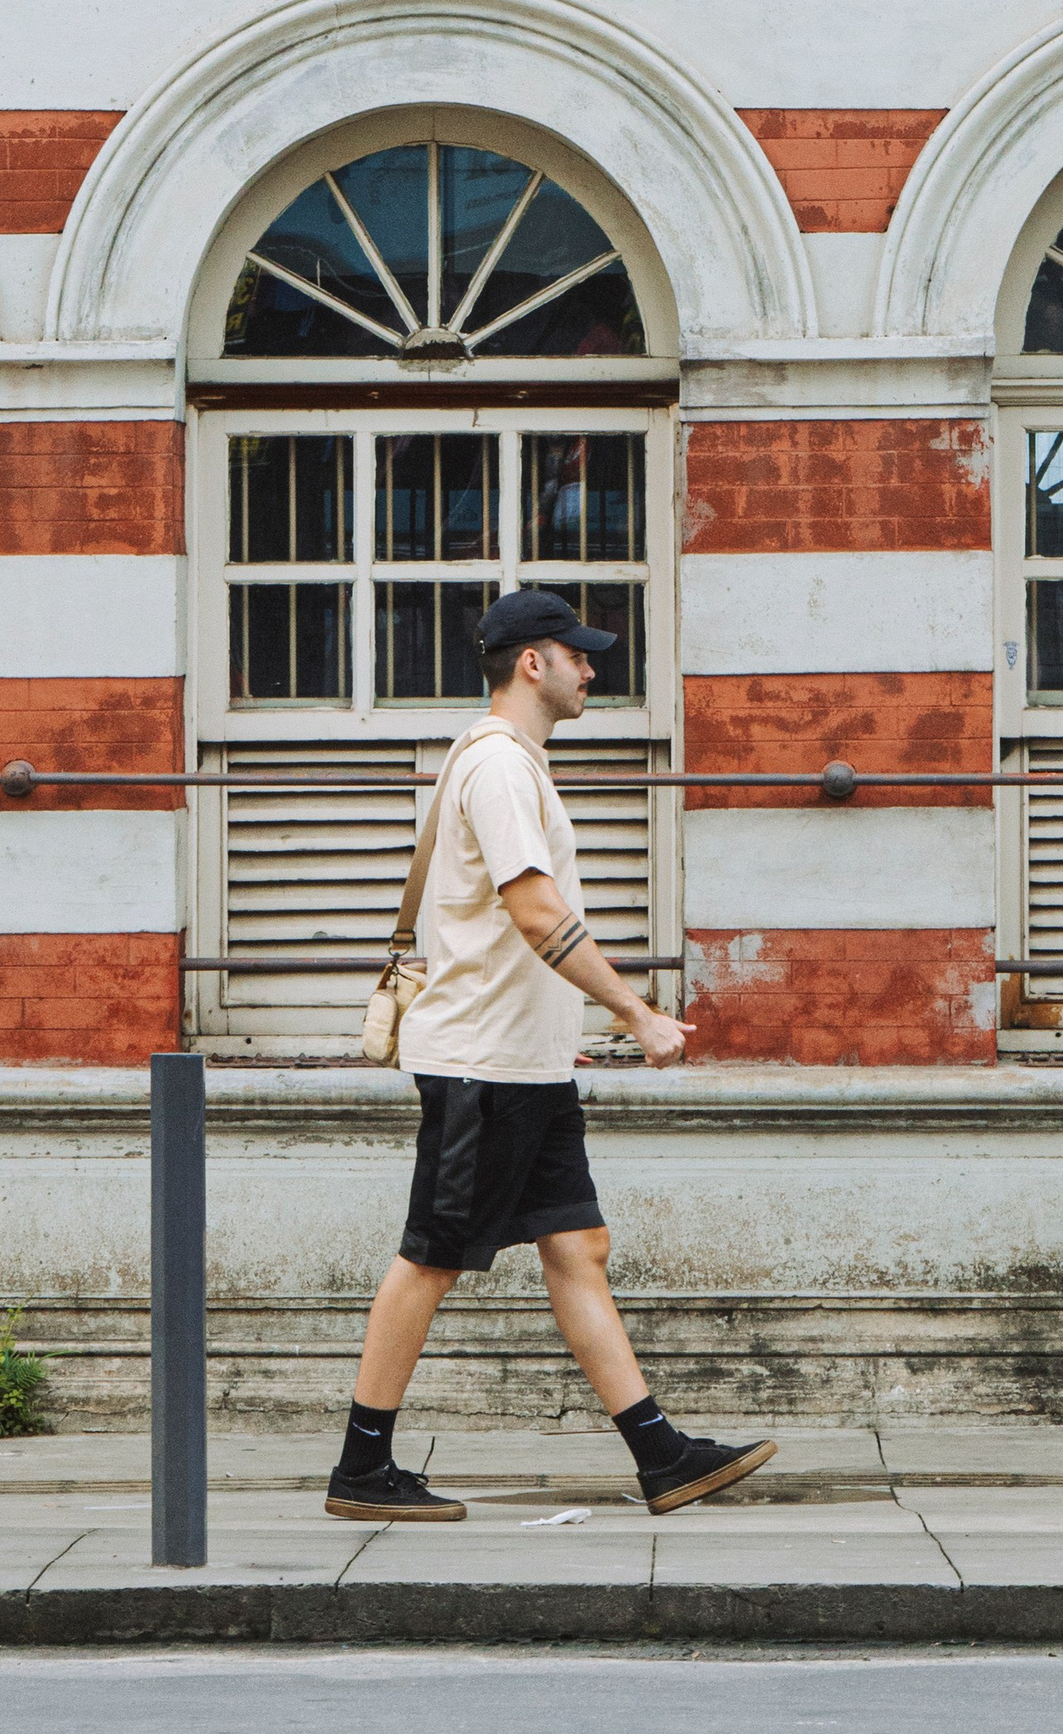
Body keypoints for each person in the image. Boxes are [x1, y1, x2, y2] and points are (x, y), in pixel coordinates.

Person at [326, 586, 778, 1524]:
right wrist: (637, 1012)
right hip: (483, 1065)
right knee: (432, 1257)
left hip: (528, 1067)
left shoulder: (514, 763)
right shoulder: (497, 766)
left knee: (578, 1245)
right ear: (532, 661)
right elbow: (536, 912)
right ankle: (362, 1465)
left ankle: (660, 1455)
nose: (592, 668)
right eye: (578, 653)